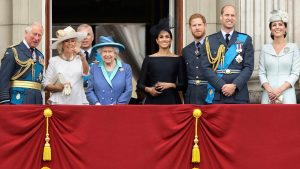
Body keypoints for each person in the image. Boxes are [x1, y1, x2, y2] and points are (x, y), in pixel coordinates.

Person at [200, 5, 254, 104]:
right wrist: (221, 85)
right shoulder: (209, 41)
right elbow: (205, 68)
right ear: (221, 17)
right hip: (217, 94)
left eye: (232, 15)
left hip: (239, 94)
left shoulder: (245, 39)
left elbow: (249, 67)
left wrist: (234, 85)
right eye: (227, 15)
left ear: (236, 18)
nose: (230, 18)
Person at [137, 18, 185, 104]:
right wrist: (150, 89)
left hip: (172, 101)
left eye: (167, 37)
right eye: (161, 37)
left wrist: (170, 85)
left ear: (171, 40)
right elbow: (140, 84)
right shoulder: (149, 59)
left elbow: (183, 85)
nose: (164, 39)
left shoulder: (178, 59)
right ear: (157, 40)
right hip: (153, 101)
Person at [259, 10, 300, 104]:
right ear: (271, 29)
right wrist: (270, 91)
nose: (277, 27)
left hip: (287, 94)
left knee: (287, 118)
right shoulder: (264, 49)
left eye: (280, 24)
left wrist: (279, 90)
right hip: (269, 95)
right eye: (274, 25)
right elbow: (261, 73)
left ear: (285, 28)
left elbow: (295, 73)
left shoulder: (293, 47)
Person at [42, 26, 89, 105]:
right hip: (59, 102)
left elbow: (86, 72)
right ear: (62, 44)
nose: (70, 43)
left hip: (78, 101)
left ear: (76, 43)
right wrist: (59, 87)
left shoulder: (80, 59)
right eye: (66, 41)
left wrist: (82, 57)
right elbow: (45, 84)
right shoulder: (54, 61)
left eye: (73, 41)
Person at [0, 22, 44, 104]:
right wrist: (5, 102)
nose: (37, 38)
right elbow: (3, 80)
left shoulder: (40, 55)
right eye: (34, 34)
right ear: (26, 33)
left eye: (39, 35)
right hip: (18, 101)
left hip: (36, 103)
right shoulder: (13, 51)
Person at [86, 36, 132, 105]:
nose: (107, 54)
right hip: (99, 109)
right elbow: (89, 91)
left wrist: (116, 105)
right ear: (100, 53)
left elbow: (128, 90)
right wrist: (96, 103)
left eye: (110, 51)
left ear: (115, 53)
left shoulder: (126, 68)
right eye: (104, 51)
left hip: (118, 109)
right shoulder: (94, 68)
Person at [182, 13, 208, 104]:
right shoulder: (185, 50)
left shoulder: (214, 46)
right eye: (194, 25)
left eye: (199, 25)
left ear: (205, 25)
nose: (197, 28)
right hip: (191, 95)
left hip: (210, 93)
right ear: (190, 28)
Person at [77, 24, 98, 88]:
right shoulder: (71, 57)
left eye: (88, 34)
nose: (85, 38)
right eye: (81, 35)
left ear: (93, 37)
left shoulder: (102, 56)